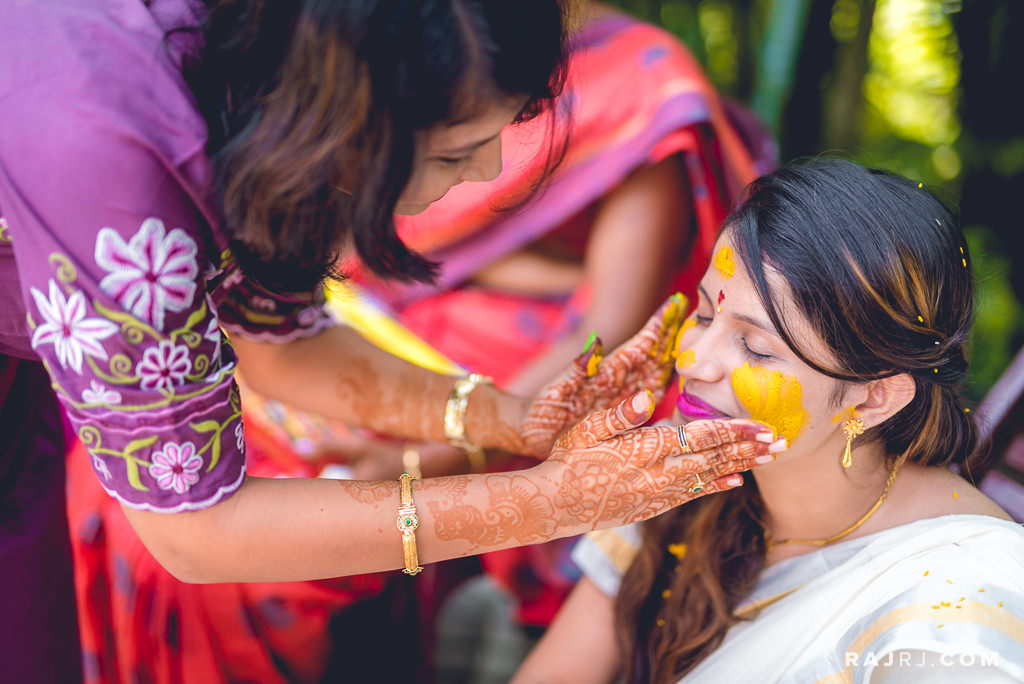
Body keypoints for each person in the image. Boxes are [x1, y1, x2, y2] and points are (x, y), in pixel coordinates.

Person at [0, 1, 779, 681]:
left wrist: (504, 420)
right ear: (346, 115)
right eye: (452, 152)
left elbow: (278, 338)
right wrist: (545, 501)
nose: (489, 171)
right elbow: (197, 529)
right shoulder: (111, 145)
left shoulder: (263, 73)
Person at [511, 159, 1024, 684]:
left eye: (757, 349)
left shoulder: (960, 594)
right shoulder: (677, 474)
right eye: (705, 315)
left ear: (875, 399)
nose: (691, 361)